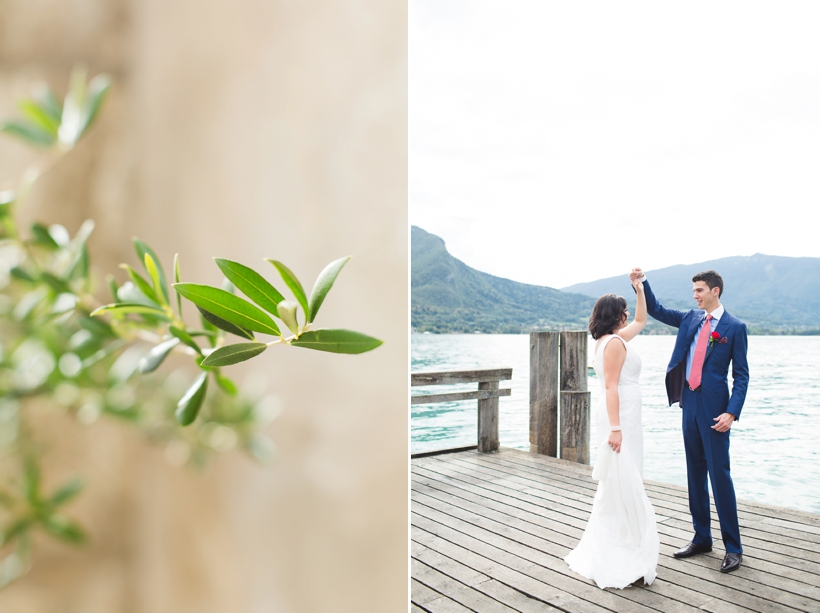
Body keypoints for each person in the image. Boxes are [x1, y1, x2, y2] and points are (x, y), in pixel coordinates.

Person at [630, 267, 748, 573]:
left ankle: (733, 548)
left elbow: (742, 376)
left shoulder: (734, 327)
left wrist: (731, 412)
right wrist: (641, 285)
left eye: (698, 290)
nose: (694, 295)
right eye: (693, 290)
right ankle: (702, 538)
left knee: (719, 476)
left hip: (716, 411)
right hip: (689, 403)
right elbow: (654, 309)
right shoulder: (689, 318)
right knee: (694, 473)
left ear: (714, 291)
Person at [564, 277, 659, 589]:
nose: (628, 314)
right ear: (614, 314)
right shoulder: (615, 343)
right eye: (624, 310)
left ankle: (623, 545)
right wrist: (616, 429)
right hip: (622, 418)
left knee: (622, 479)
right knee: (623, 478)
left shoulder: (608, 341)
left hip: (623, 415)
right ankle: (621, 554)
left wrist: (640, 287)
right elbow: (610, 387)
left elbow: (644, 319)